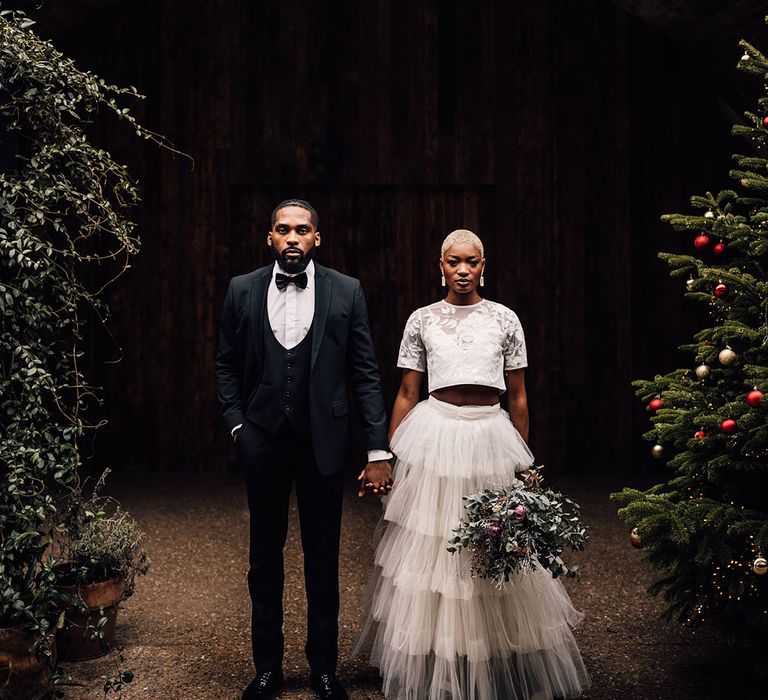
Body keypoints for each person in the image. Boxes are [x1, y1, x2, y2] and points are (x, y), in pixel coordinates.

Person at [353, 229, 590, 699]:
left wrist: (522, 460)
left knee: (493, 540)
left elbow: (518, 394)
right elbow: (406, 391)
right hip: (437, 430)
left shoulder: (504, 319)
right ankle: (438, 659)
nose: (463, 270)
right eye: (454, 261)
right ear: (440, 266)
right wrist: (392, 455)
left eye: (472, 262)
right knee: (437, 547)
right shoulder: (422, 319)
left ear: (484, 266)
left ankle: (494, 660)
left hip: (489, 433)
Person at [215, 199, 393, 700]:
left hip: (324, 443)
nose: (292, 238)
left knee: (323, 558)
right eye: (283, 230)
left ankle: (324, 670)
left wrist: (377, 446)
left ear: (318, 237)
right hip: (263, 441)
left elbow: (364, 371)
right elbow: (225, 364)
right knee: (263, 559)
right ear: (269, 237)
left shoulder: (346, 291)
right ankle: (267, 669)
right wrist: (237, 428)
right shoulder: (242, 289)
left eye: (302, 230)